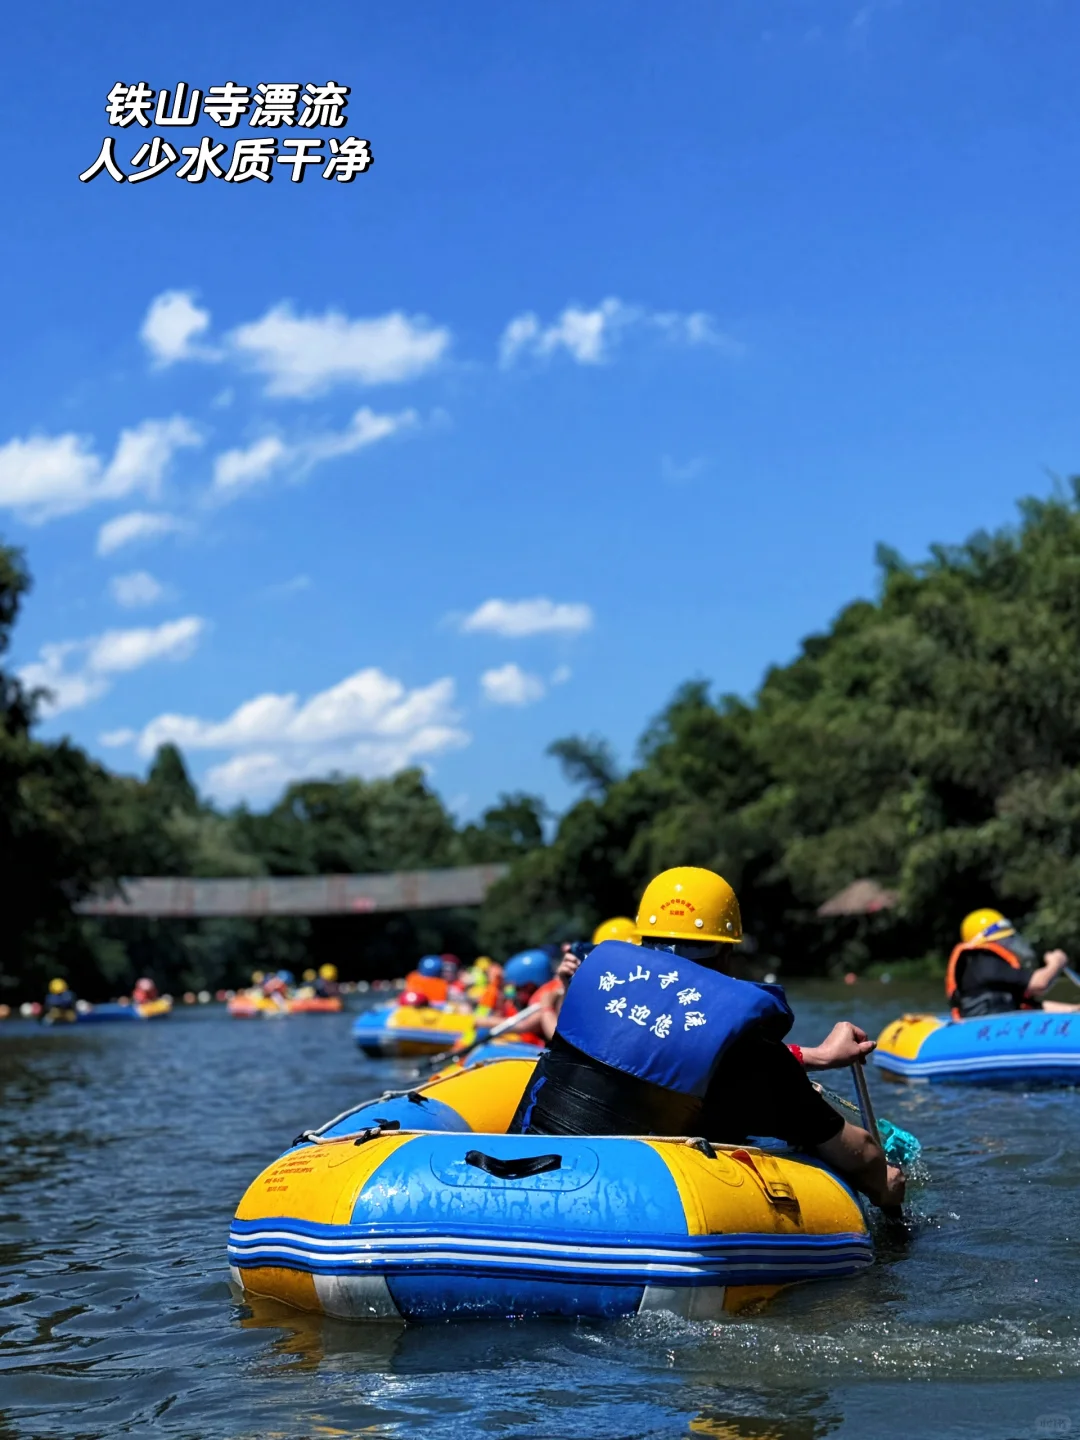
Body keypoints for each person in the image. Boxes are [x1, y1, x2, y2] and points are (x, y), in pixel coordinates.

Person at [510, 866, 904, 1211]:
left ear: (642, 940)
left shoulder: (592, 990)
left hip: (517, 1181)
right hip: (623, 1209)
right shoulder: (751, 1048)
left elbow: (658, 1048)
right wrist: (886, 1188)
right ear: (728, 953)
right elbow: (859, 1154)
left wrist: (814, 1056)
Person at [946, 908, 1078, 1019]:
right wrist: (1056, 963)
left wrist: (1075, 1009)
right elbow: (1039, 984)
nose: (1008, 944)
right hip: (983, 1028)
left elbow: (1031, 1006)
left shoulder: (994, 969)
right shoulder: (983, 961)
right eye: (1002, 940)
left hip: (1003, 1022)